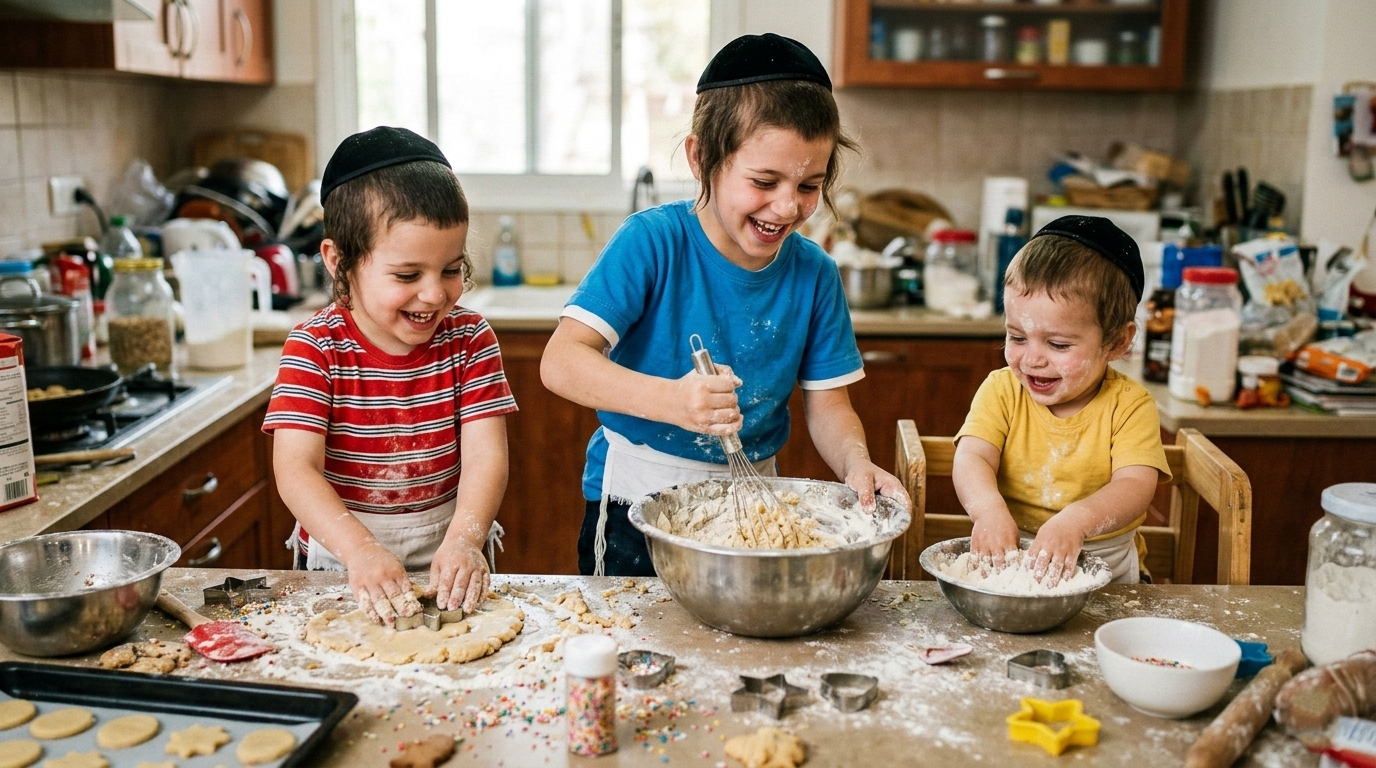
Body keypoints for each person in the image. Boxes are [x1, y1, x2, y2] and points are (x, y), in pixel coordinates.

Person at [540, 33, 909, 577]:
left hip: (754, 512)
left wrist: (857, 464)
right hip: (633, 507)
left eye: (810, 185)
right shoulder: (652, 243)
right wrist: (673, 400)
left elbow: (829, 406)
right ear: (700, 158)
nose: (787, 207)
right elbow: (561, 362)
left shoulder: (815, 274)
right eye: (764, 181)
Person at [264, 127, 517, 625]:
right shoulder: (316, 348)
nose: (435, 294)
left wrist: (465, 540)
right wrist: (360, 551)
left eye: (451, 269)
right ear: (340, 261)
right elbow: (296, 469)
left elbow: (487, 456)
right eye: (407, 275)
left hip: (450, 554)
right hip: (342, 561)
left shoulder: (469, 339)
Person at [952, 215, 1171, 586]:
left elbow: (1135, 485)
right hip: (1011, 562)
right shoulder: (1002, 391)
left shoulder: (1130, 405)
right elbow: (973, 457)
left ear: (1117, 342)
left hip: (1108, 571)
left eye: (1058, 344)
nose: (1032, 359)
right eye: (1017, 337)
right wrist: (987, 511)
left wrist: (1075, 522)